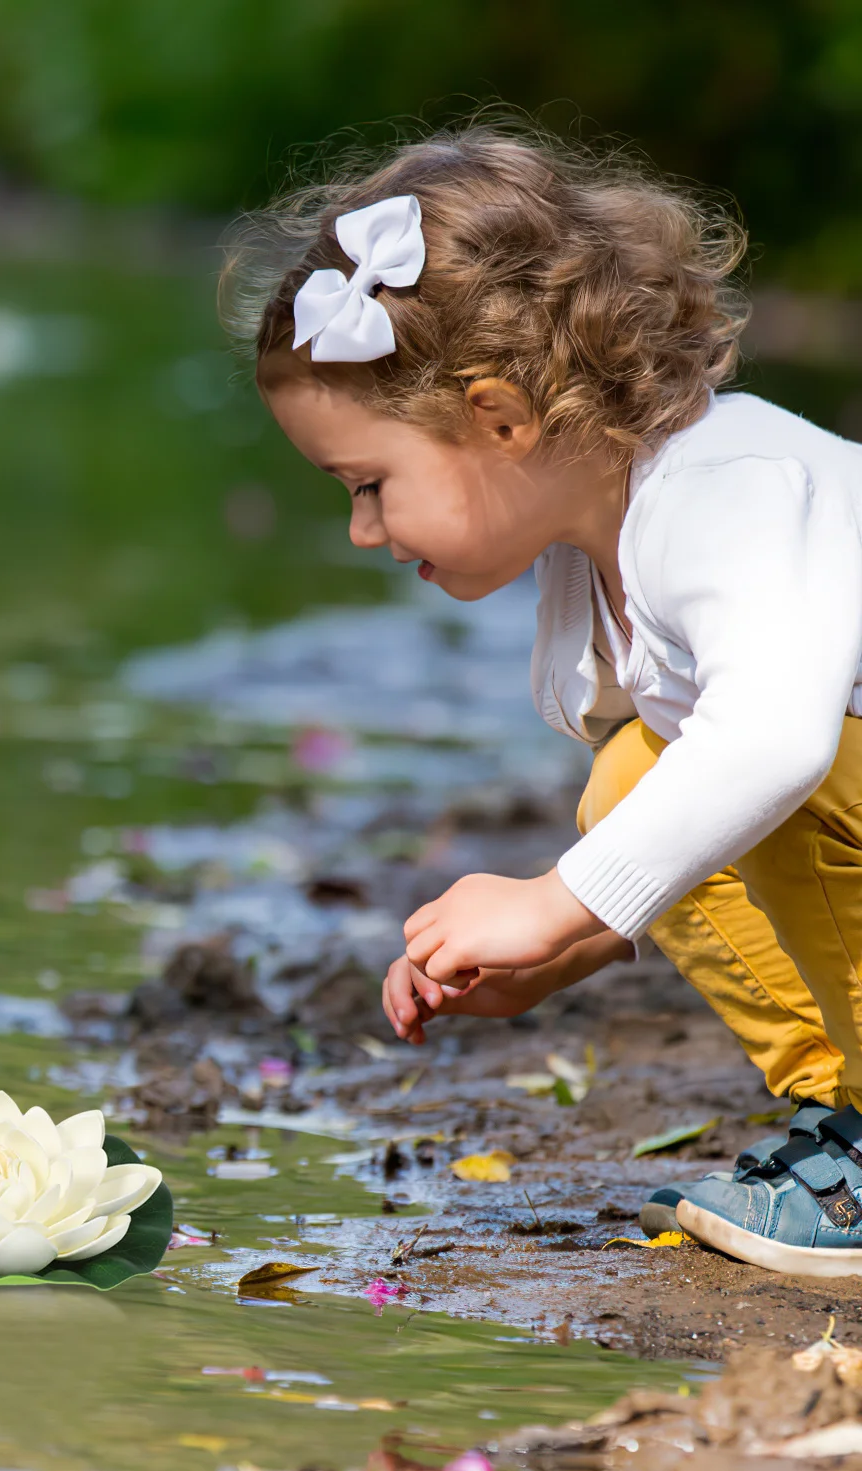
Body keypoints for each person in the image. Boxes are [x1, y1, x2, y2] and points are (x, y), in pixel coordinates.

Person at [225, 124, 862, 1276]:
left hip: (811, 752)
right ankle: (843, 1116)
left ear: (501, 419)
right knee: (633, 782)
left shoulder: (726, 491)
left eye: (370, 486)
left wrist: (559, 901)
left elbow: (775, 740)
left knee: (722, 768)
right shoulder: (599, 557)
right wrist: (573, 943)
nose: (363, 530)